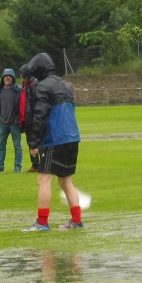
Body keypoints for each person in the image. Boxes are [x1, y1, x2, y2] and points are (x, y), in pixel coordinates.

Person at [20, 52, 84, 232]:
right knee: (65, 181)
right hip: (73, 137)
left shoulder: (42, 86)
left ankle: (42, 222)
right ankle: (76, 220)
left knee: (43, 179)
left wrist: (33, 143)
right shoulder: (66, 85)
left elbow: (40, 115)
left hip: (55, 139)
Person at [0, 68, 24, 173]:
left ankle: (18, 167)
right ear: (3, 78)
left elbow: (23, 106)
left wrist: (18, 119)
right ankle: (0, 166)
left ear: (13, 78)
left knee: (17, 146)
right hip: (2, 123)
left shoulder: (19, 90)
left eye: (10, 76)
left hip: (15, 123)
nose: (7, 78)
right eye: (6, 76)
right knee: (1, 146)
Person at [19, 65, 41, 173]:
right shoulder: (25, 84)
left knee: (37, 141)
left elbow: (36, 101)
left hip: (32, 118)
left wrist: (35, 116)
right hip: (26, 118)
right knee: (30, 141)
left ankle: (43, 163)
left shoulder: (33, 84)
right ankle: (35, 164)